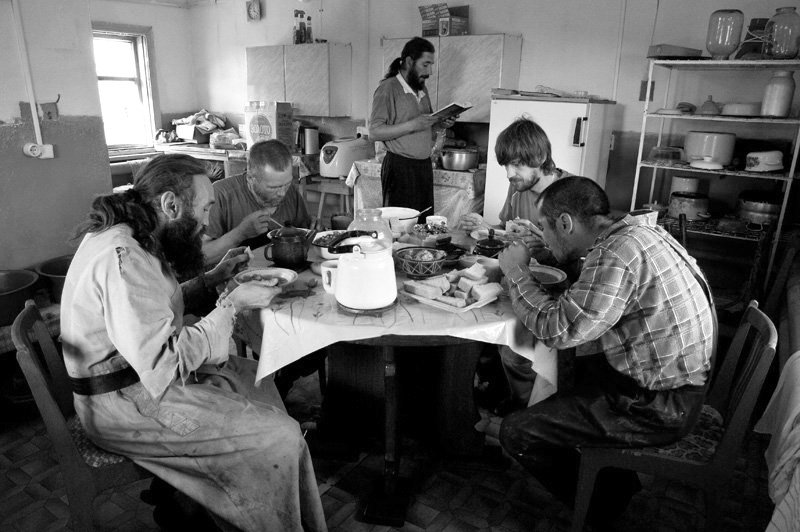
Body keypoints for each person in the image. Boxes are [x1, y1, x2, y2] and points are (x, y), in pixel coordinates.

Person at [61, 154, 327, 532]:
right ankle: (258, 513)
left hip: (139, 383)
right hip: (123, 406)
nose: (205, 222)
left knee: (255, 377)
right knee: (279, 438)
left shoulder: (134, 235)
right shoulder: (123, 258)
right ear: (171, 204)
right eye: (203, 210)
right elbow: (164, 361)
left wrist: (212, 278)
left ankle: (202, 504)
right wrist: (232, 304)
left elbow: (150, 314)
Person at [497, 176, 715, 526]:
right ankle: (610, 479)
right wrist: (549, 253)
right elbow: (592, 298)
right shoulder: (638, 233)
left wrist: (517, 273)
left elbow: (559, 330)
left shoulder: (616, 253)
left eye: (545, 228)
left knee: (517, 432)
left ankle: (602, 509)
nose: (544, 237)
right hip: (670, 383)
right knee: (566, 370)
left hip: (658, 406)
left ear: (565, 223)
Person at [460, 117, 574, 414]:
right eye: (506, 165)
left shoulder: (570, 195)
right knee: (475, 318)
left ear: (541, 157)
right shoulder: (519, 187)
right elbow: (506, 229)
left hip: (557, 292)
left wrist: (546, 248)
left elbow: (583, 259)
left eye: (517, 165)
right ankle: (492, 388)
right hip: (519, 279)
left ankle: (527, 411)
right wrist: (485, 227)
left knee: (514, 352)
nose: (510, 174)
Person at [369, 37, 456, 222]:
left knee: (423, 222)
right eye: (425, 64)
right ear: (409, 61)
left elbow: (426, 124)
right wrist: (412, 125)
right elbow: (374, 132)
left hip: (423, 166)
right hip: (400, 167)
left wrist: (442, 123)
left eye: (431, 65)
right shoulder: (388, 88)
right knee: (401, 225)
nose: (429, 71)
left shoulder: (421, 89)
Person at [202, 139, 311, 264]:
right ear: (250, 178)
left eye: (286, 184)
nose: (282, 193)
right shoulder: (220, 194)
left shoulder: (290, 191)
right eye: (273, 187)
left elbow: (302, 235)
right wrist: (241, 233)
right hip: (237, 274)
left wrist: (313, 230)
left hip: (283, 270)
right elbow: (201, 258)